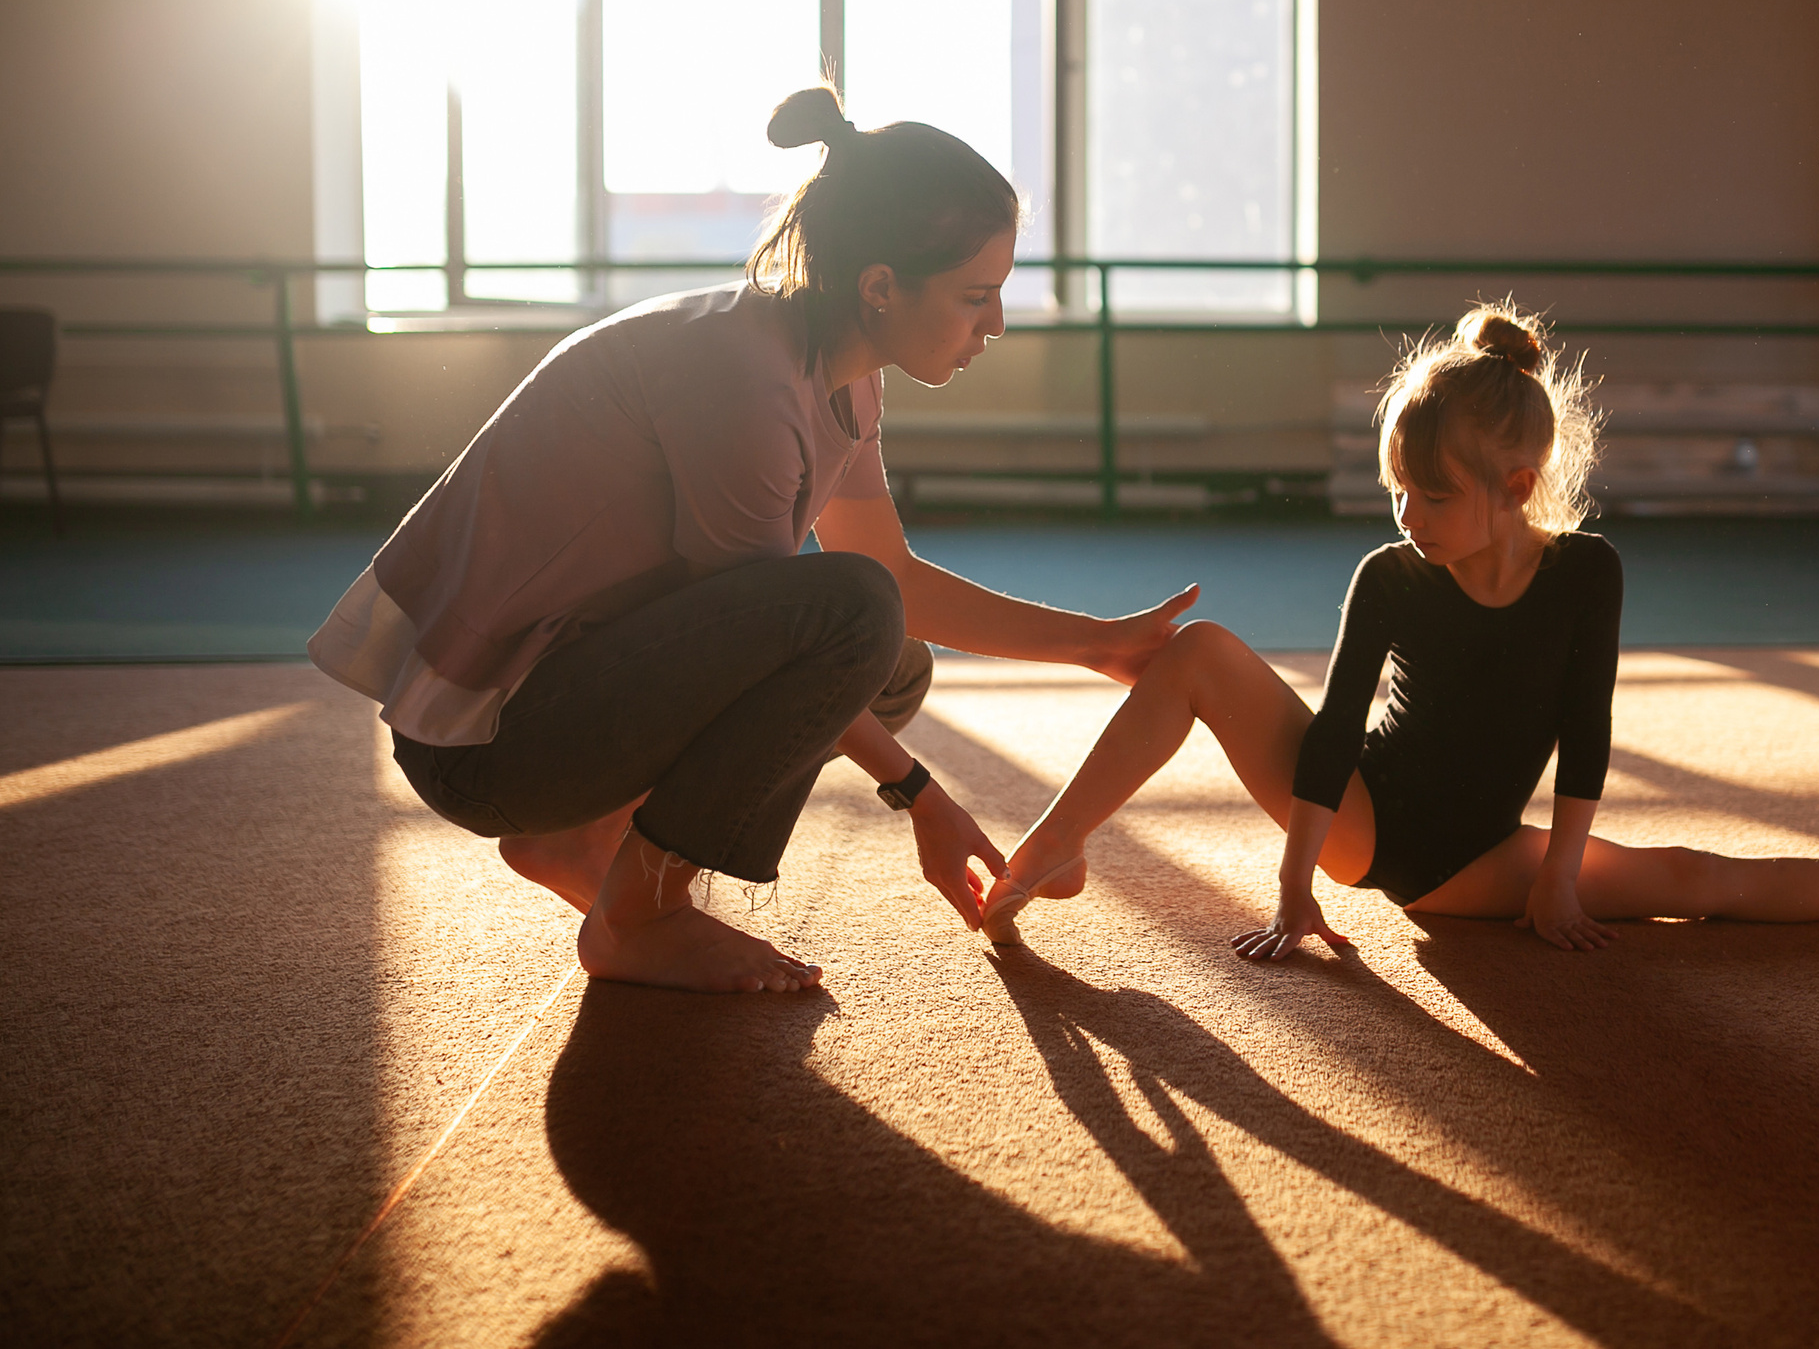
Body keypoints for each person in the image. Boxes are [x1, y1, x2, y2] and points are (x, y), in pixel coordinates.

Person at [309, 86, 1196, 995]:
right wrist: (923, 797)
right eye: (977, 296)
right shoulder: (747, 382)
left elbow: (893, 576)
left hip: (561, 703)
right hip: (486, 749)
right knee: (853, 618)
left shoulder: (839, 374)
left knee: (892, 658)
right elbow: (814, 633)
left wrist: (1098, 643)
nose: (996, 324)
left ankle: (581, 837)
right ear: (881, 286)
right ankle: (638, 915)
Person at [981, 302, 1819, 957]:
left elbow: (1584, 726)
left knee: (1697, 878)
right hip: (1367, 818)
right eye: (1395, 490)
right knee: (1203, 651)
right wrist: (1297, 887)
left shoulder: (1585, 572)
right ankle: (1047, 844)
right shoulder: (1394, 575)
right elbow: (1330, 736)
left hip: (1481, 865)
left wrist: (1554, 877)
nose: (1408, 518)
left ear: (1515, 483)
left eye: (1432, 497)